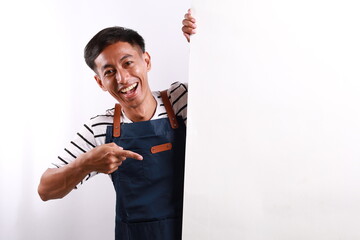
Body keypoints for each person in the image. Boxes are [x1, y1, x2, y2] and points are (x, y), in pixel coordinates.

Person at [38, 10, 197, 240]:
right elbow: (45, 190)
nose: (122, 78)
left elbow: (236, 98)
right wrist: (86, 163)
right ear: (100, 82)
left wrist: (203, 42)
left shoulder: (181, 99)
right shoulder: (100, 128)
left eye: (128, 63)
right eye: (109, 72)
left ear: (147, 61)